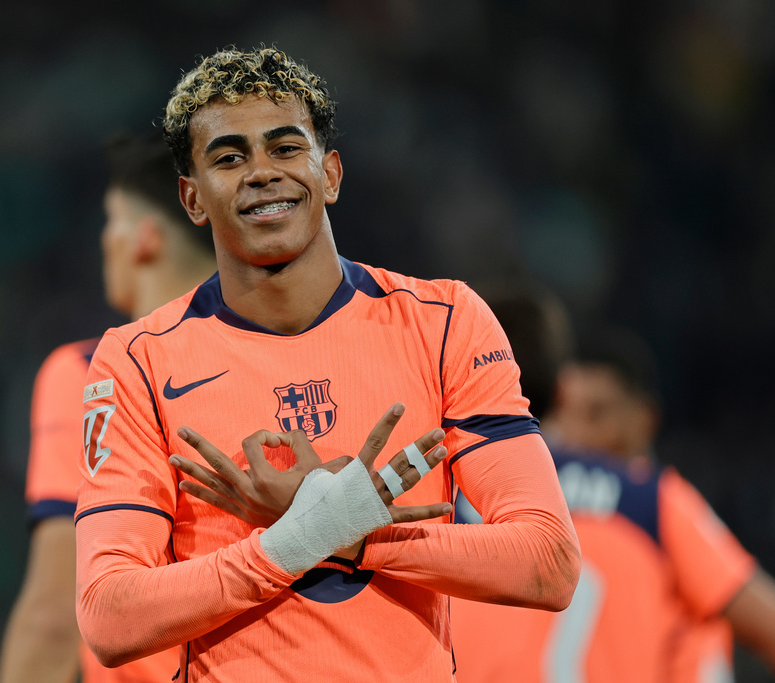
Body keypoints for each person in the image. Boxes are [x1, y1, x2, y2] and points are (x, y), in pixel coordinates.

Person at [74, 46, 581, 682]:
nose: (261, 172)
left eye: (285, 148)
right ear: (192, 198)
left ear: (331, 174)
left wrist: (354, 534)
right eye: (229, 157)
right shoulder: (136, 361)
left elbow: (548, 560)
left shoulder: (444, 321)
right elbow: (108, 617)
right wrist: (296, 540)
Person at [450, 284, 775, 683]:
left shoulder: (447, 500)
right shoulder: (651, 502)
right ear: (561, 392)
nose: (582, 432)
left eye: (598, 414)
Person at [0, 133, 217, 683]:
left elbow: (53, 615)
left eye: (111, 220)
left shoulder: (91, 373)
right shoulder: (294, 362)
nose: (105, 241)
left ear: (145, 238)